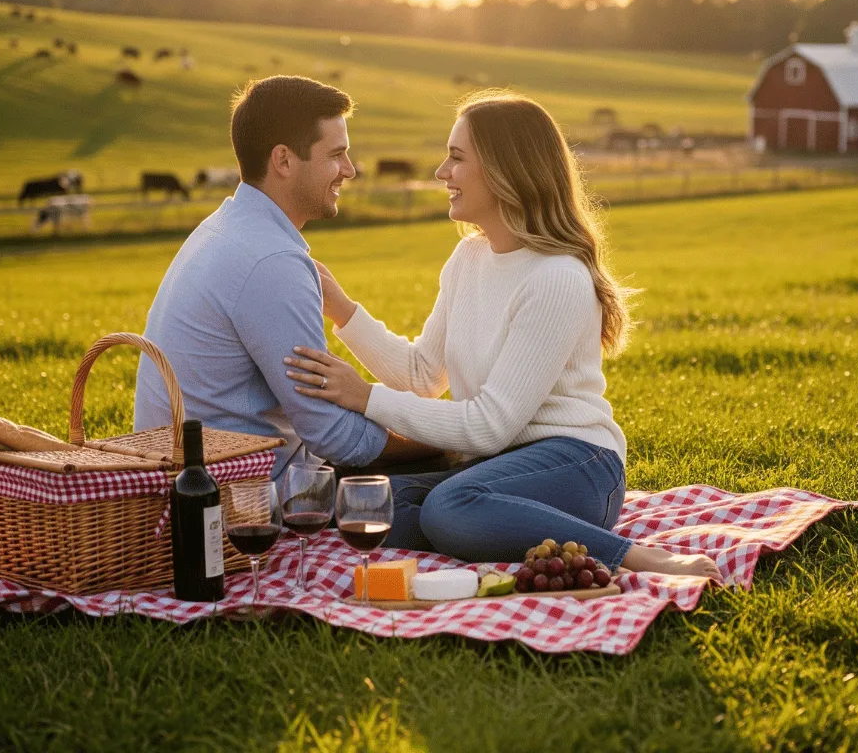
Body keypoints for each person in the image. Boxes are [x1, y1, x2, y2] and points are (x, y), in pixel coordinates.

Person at [284, 91, 722, 581]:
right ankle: (491, 526)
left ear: (504, 170)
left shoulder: (557, 277)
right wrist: (340, 308)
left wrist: (364, 397)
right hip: (492, 466)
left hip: (576, 464)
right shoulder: (468, 259)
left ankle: (632, 555)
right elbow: (422, 375)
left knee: (448, 507)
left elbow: (491, 425)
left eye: (456, 158)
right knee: (360, 499)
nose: (441, 173)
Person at [134, 75, 434, 479]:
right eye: (336, 155)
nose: (349, 170)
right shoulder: (271, 259)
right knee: (445, 486)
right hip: (241, 498)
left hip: (184, 477)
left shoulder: (221, 228)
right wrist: (447, 443)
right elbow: (336, 437)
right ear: (284, 160)